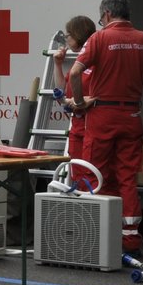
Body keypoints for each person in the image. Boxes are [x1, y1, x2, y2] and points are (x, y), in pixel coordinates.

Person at [67, 0, 143, 253]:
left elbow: (75, 72)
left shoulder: (99, 38)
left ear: (106, 14)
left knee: (95, 174)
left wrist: (79, 102)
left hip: (103, 116)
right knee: (127, 177)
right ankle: (130, 237)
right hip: (132, 116)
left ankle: (97, 235)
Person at [52, 15, 99, 190]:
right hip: (77, 128)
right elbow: (60, 91)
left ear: (78, 35)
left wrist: (85, 100)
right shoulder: (77, 63)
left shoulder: (97, 62)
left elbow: (103, 94)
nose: (66, 39)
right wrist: (58, 64)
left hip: (92, 128)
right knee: (77, 177)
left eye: (68, 35)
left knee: (92, 176)